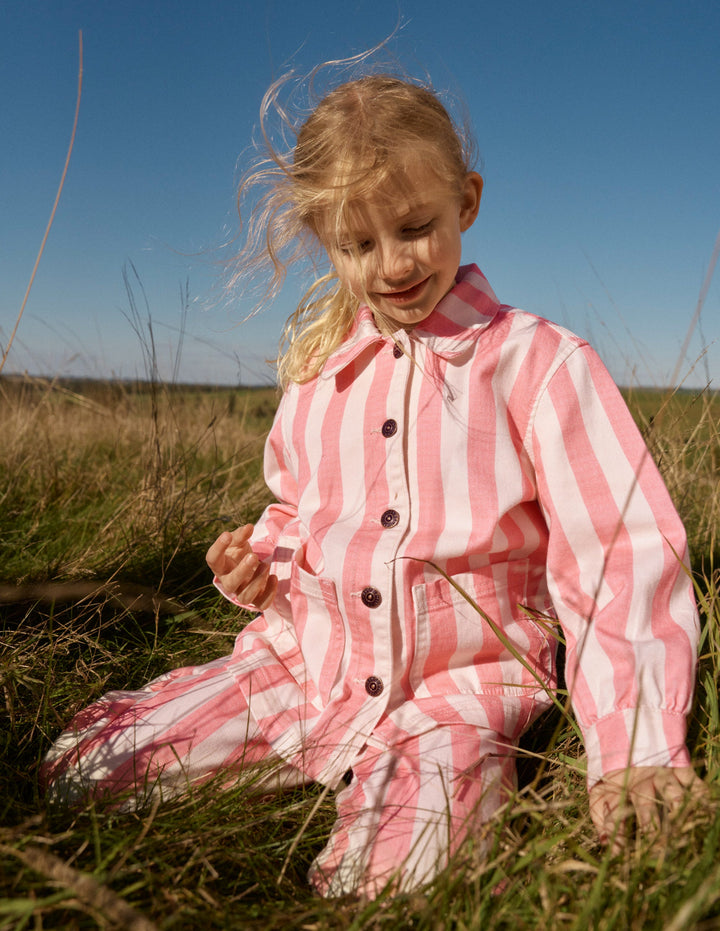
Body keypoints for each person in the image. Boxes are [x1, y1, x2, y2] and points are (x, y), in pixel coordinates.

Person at [42, 70, 705, 898]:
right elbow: (298, 512)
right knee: (83, 768)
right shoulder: (320, 373)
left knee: (399, 883)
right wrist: (260, 562)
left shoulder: (537, 365)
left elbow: (618, 556)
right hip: (306, 669)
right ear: (325, 240)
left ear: (466, 202)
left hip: (454, 695)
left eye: (416, 227)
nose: (392, 264)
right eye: (357, 245)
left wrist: (635, 745)